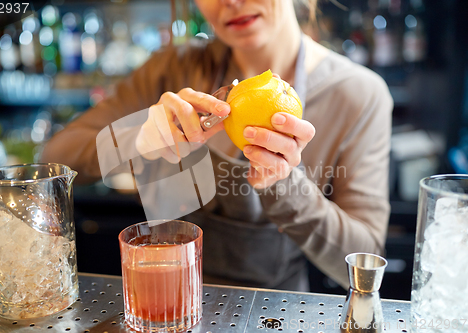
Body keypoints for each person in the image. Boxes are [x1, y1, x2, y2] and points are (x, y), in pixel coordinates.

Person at [41, 0, 393, 291]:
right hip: (165, 303)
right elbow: (55, 158)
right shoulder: (171, 69)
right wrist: (137, 136)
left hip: (275, 313)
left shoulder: (358, 95)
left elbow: (363, 260)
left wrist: (285, 183)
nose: (232, 2)